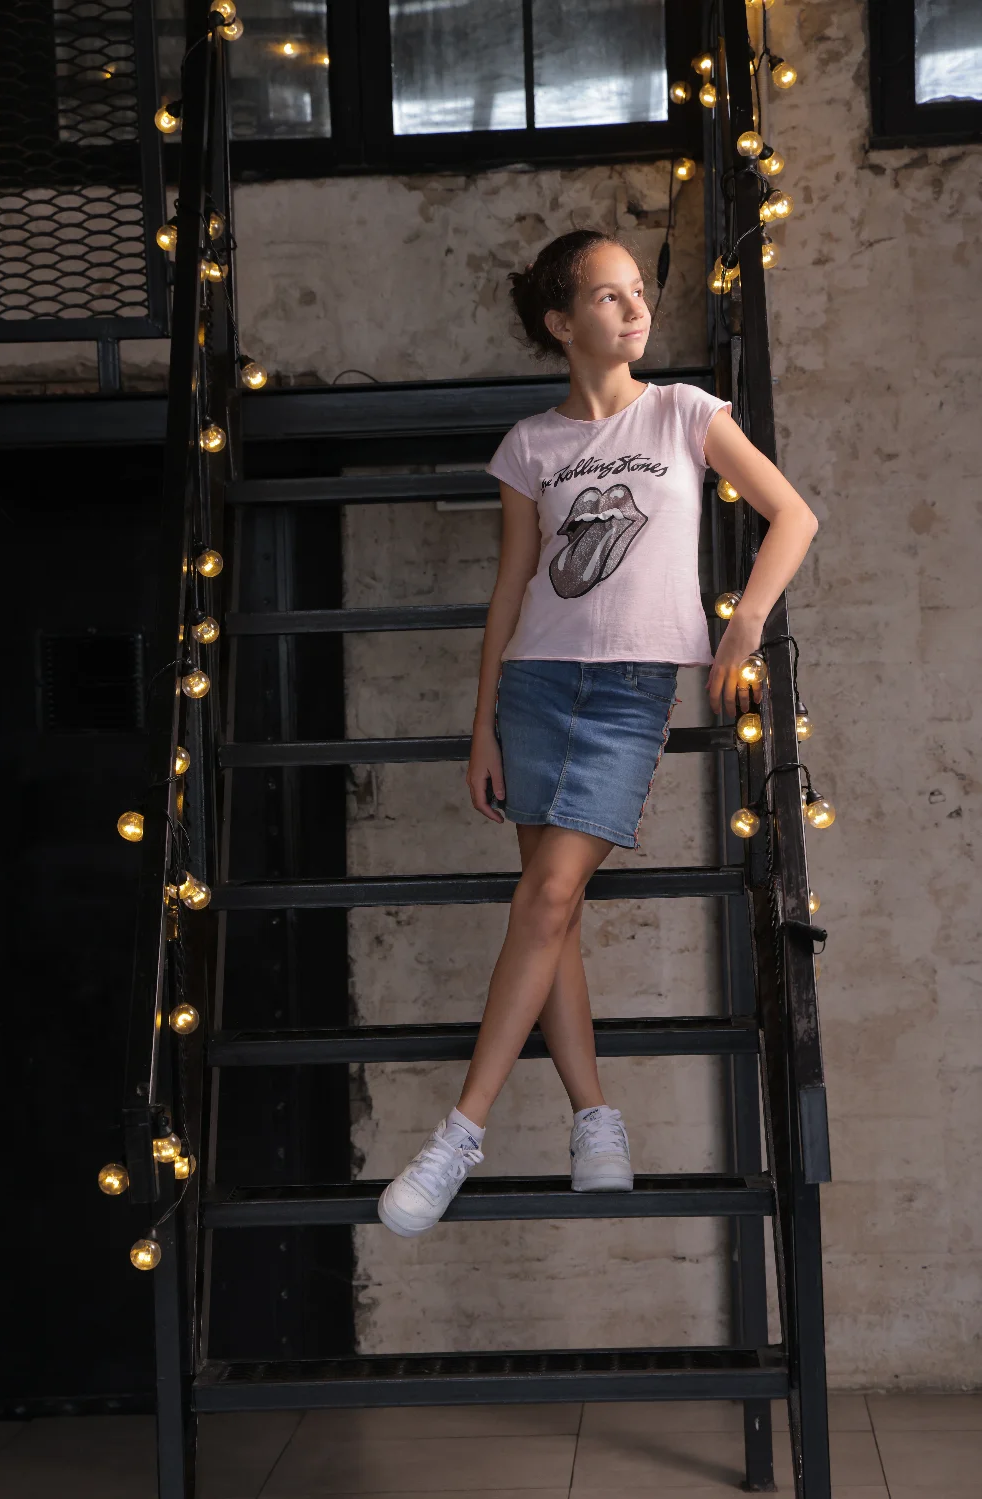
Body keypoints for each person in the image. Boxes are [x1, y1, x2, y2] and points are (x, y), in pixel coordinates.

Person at [377, 228, 819, 1238]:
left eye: (637, 293)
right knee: (555, 911)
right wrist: (481, 722)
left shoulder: (685, 413)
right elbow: (511, 587)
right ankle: (596, 1120)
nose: (634, 310)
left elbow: (792, 515)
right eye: (609, 297)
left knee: (545, 897)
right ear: (560, 321)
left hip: (628, 694)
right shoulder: (529, 446)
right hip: (534, 686)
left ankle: (459, 1132)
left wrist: (743, 623)